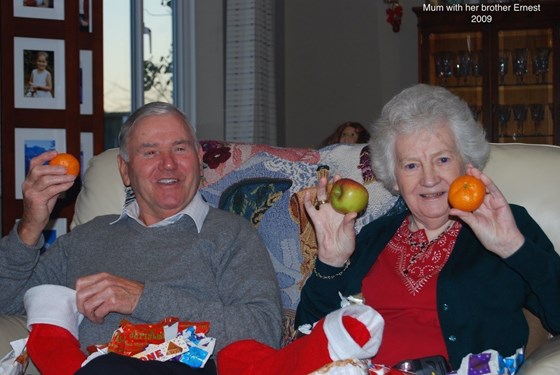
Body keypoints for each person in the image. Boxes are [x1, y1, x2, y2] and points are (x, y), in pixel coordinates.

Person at [0, 101, 282, 374]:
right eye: (150, 153)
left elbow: (264, 329)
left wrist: (142, 299)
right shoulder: (87, 238)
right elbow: (8, 302)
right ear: (125, 170)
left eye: (179, 149)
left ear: (198, 159)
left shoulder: (231, 235)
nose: (168, 164)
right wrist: (30, 225)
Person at [295, 84, 560, 370]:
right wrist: (331, 263)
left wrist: (514, 248)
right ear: (394, 178)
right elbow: (306, 334)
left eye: (442, 159)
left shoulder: (508, 224)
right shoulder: (373, 237)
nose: (429, 178)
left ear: (466, 164)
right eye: (411, 166)